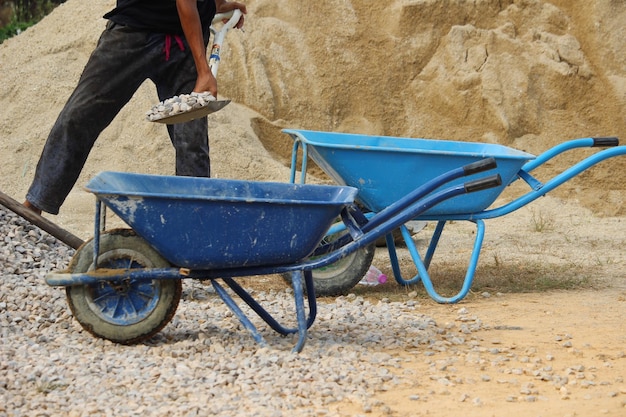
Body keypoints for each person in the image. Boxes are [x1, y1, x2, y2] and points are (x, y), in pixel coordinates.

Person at [23, 0, 247, 215]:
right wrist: (204, 71)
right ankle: (35, 206)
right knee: (80, 115)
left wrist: (216, 4)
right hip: (134, 33)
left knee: (191, 138)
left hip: (183, 43)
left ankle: (194, 219)